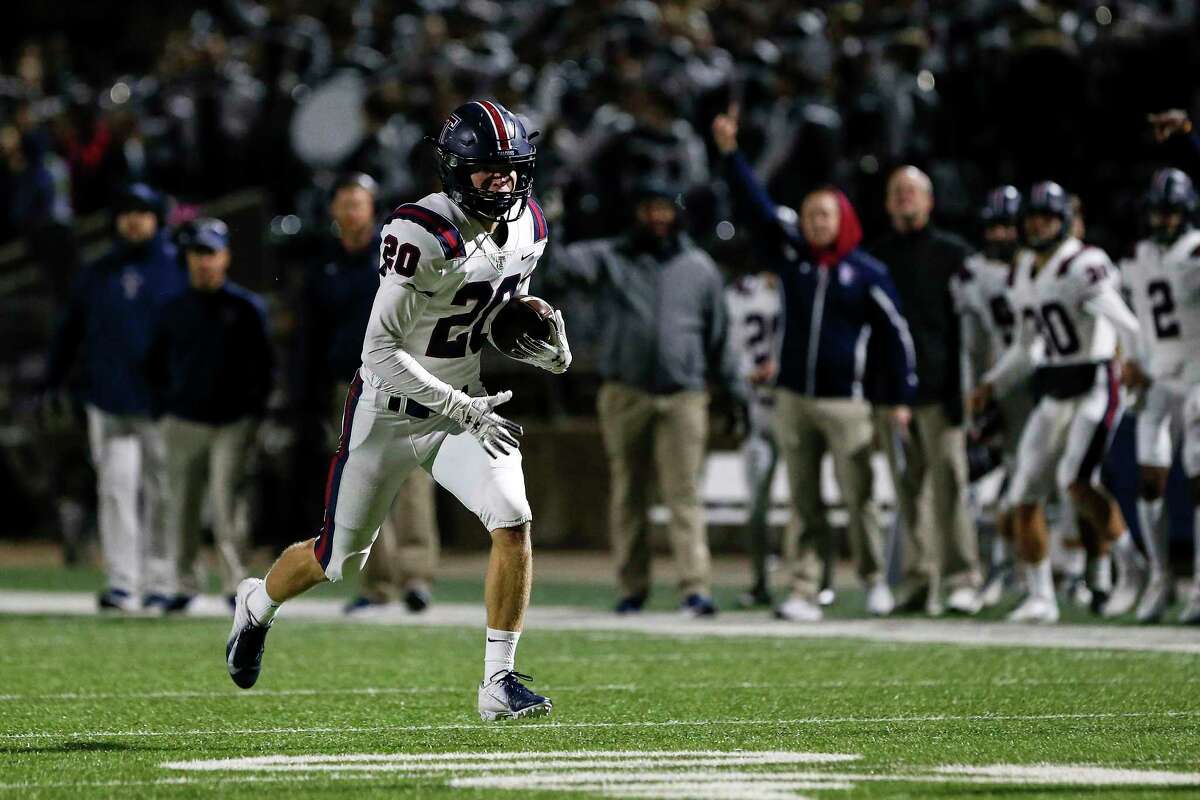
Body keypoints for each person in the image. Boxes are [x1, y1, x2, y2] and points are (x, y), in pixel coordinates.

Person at [224, 100, 571, 722]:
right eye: (486, 171)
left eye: (511, 169)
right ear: (452, 171)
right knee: (337, 560)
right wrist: (459, 404)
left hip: (463, 409)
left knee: (512, 517)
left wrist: (530, 335)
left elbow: (481, 314)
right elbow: (378, 350)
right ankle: (255, 605)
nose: (503, 183)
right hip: (388, 411)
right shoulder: (420, 232)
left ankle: (498, 680)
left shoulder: (530, 228)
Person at [713, 108, 917, 623]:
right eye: (809, 216)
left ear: (842, 218)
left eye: (824, 215)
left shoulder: (867, 272)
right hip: (794, 398)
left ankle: (873, 580)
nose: (815, 223)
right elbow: (758, 209)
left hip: (846, 402)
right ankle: (804, 589)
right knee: (803, 504)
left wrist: (900, 398)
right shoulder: (795, 261)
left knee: (859, 500)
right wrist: (731, 156)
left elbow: (897, 337)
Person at [551, 180, 741, 618]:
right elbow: (557, 268)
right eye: (649, 208)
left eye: (664, 209)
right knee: (628, 494)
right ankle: (632, 588)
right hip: (625, 392)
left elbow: (719, 337)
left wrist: (734, 390)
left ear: (678, 214)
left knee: (684, 494)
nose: (657, 217)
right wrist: (554, 222)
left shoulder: (699, 268)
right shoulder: (613, 256)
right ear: (635, 213)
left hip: (684, 396)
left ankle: (695, 587)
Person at [971, 181, 1142, 624]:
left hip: (1095, 381)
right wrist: (992, 383)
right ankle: (1041, 596)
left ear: (1063, 220)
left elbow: (1125, 322)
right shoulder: (1024, 269)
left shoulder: (1084, 262)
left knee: (1075, 479)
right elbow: (1027, 348)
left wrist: (1137, 367)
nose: (1038, 226)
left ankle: (1130, 566)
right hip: (1055, 386)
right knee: (1024, 493)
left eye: (1047, 218)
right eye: (1032, 219)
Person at [294, 172, 441, 614]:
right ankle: (379, 584)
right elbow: (310, 335)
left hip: (402, 375)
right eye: (345, 203)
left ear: (371, 207)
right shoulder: (323, 265)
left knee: (413, 477)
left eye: (359, 203)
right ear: (335, 210)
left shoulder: (396, 255)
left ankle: (416, 577)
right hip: (348, 383)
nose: (352, 211)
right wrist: (308, 390)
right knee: (363, 480)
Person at [42, 183, 186, 612]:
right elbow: (69, 331)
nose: (133, 220)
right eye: (126, 212)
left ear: (157, 218)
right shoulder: (97, 272)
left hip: (163, 402)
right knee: (116, 490)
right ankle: (123, 581)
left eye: (142, 212)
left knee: (163, 494)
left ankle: (162, 579)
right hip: (107, 397)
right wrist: (54, 380)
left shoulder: (178, 266)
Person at [142, 218, 273, 612]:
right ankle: (184, 582)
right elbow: (153, 365)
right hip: (183, 420)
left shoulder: (246, 308)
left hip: (232, 422)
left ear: (225, 257)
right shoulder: (172, 309)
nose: (204, 262)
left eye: (211, 253)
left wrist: (253, 414)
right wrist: (164, 406)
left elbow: (264, 368)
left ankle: (235, 583)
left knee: (225, 505)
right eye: (198, 254)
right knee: (181, 504)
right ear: (188, 259)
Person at [870, 166, 982, 617]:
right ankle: (918, 580)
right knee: (907, 492)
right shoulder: (877, 260)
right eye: (897, 192)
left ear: (929, 201)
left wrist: (963, 389)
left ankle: (961, 578)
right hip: (894, 396)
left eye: (911, 192)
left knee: (950, 485)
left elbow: (968, 332)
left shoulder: (954, 255)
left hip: (940, 391)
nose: (904, 199)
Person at [1120, 168, 1200, 622]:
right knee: (1149, 480)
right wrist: (1130, 356)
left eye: (1171, 211)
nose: (1163, 219)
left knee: (1197, 477)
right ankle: (1159, 575)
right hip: (1155, 375)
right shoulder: (1138, 255)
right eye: (1158, 211)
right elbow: (1130, 314)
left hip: (1196, 372)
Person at [956, 186, 1033, 609]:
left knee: (1064, 482)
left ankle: (1083, 571)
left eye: (1009, 226)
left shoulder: (1043, 267)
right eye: (996, 226)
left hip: (1047, 382)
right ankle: (1001, 568)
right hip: (1001, 386)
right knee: (1003, 483)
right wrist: (976, 390)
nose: (1002, 235)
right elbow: (972, 344)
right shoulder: (974, 274)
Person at [724, 266, 783, 608]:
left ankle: (820, 585)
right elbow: (728, 353)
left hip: (796, 408)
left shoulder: (808, 281)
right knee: (757, 507)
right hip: (757, 411)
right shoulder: (740, 293)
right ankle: (760, 582)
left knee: (810, 505)